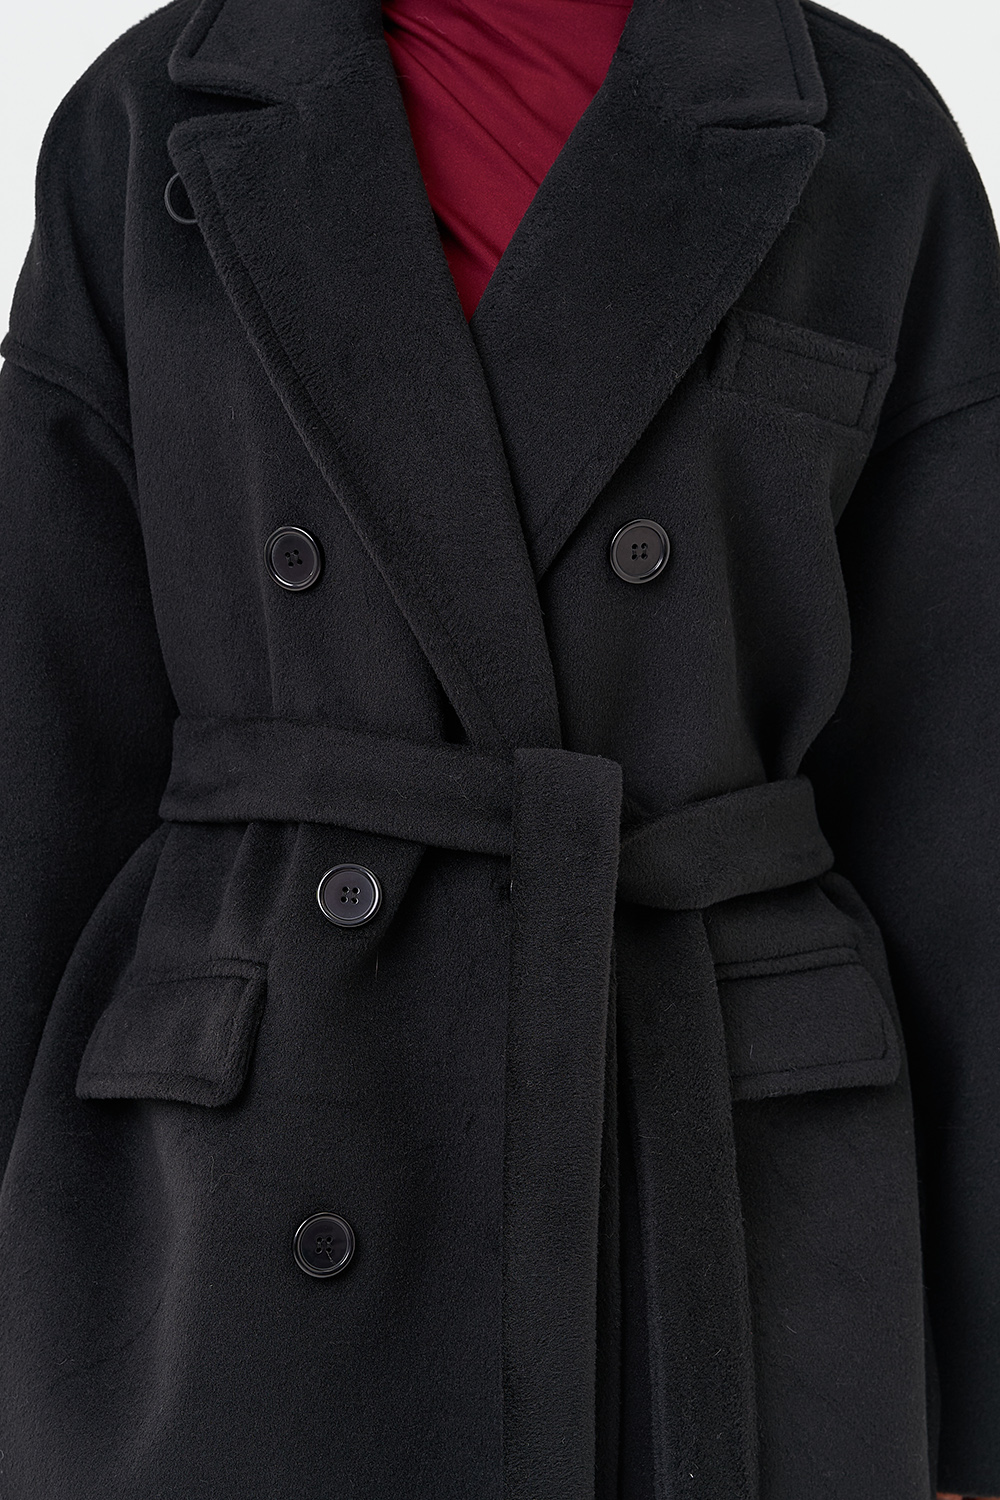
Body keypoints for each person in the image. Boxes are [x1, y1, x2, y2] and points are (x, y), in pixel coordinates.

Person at [1, 0, 999, 1495]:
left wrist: (982, 1403)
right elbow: (43, 731)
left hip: (718, 1175)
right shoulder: (149, 116)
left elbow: (962, 784)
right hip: (250, 1172)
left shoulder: (865, 131)